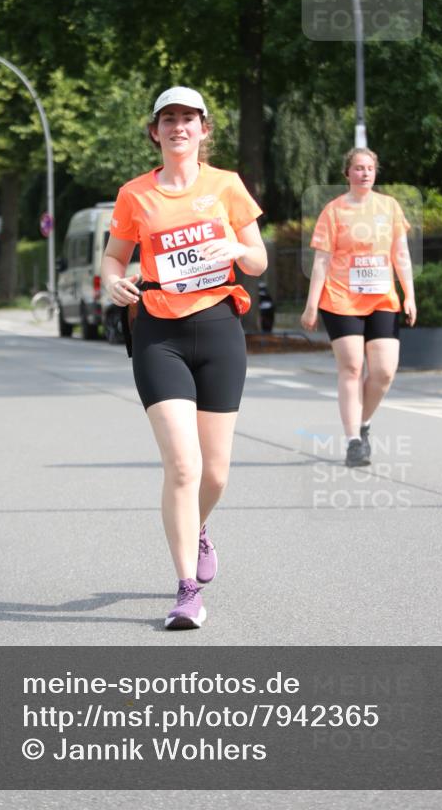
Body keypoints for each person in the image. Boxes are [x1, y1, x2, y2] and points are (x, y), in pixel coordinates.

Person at [102, 86, 267, 630]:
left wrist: (238, 251)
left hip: (219, 328)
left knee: (215, 473)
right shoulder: (134, 195)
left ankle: (198, 527)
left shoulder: (227, 186)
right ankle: (186, 590)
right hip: (158, 335)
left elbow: (260, 260)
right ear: (155, 131)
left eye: (188, 119)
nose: (178, 127)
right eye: (167, 119)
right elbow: (113, 258)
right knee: (182, 464)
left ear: (203, 128)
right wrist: (112, 283)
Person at [300, 147, 416, 467]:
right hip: (341, 299)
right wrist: (312, 306)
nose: (364, 173)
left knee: (384, 371)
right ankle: (353, 441)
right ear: (347, 174)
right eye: (358, 168)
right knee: (351, 367)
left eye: (369, 168)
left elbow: (401, 255)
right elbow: (321, 261)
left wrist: (409, 295)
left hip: (381, 298)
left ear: (375, 173)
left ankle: (362, 423)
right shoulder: (333, 211)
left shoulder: (389, 207)